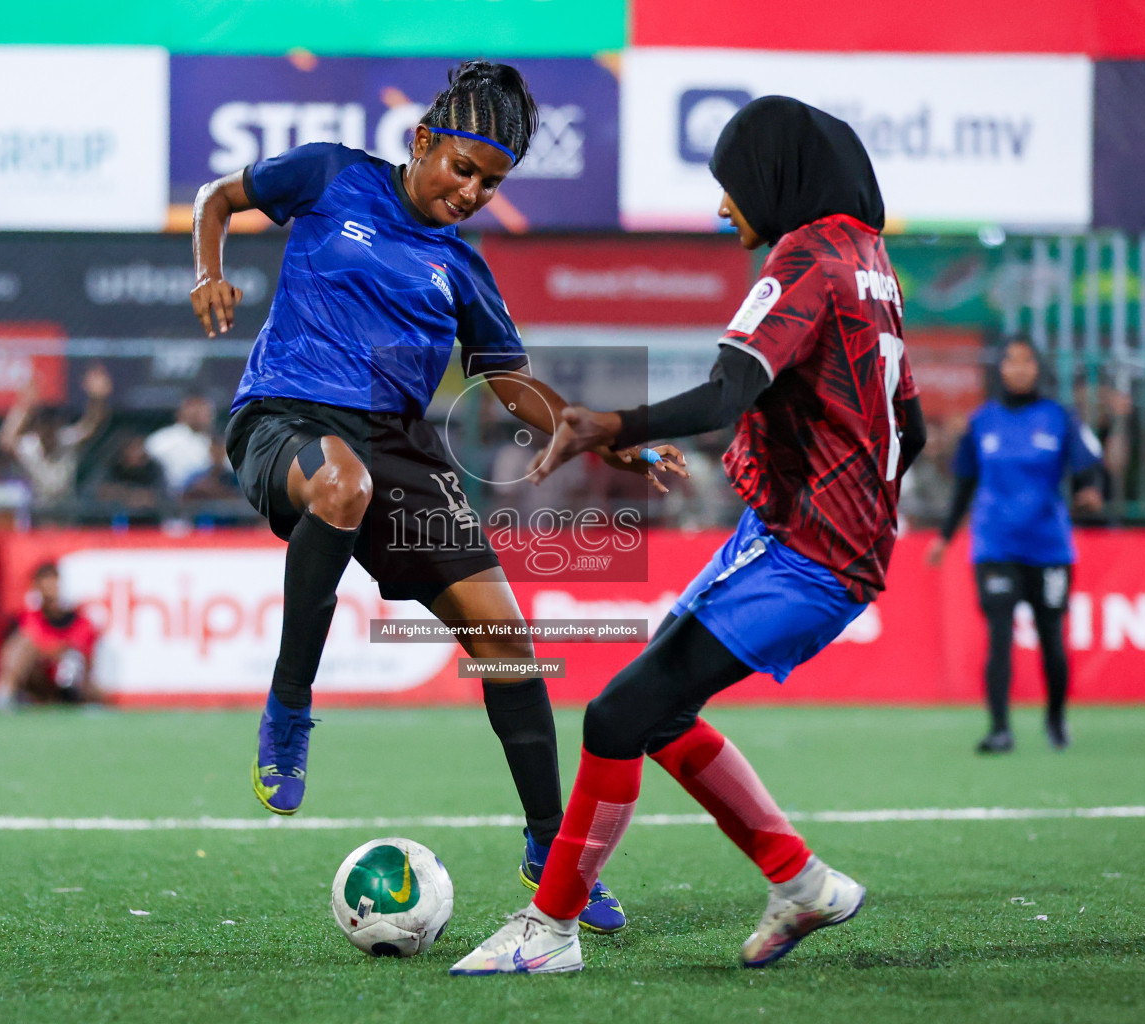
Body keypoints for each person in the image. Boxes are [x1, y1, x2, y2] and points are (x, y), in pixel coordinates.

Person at [191, 60, 680, 934]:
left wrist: (602, 431)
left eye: (491, 183)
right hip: (286, 413)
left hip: (401, 447)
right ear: (421, 142)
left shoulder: (462, 265)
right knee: (341, 484)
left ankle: (550, 849)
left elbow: (508, 381)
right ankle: (290, 708)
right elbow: (217, 198)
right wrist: (208, 271)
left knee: (508, 644)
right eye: (463, 169)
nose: (472, 192)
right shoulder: (330, 173)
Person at [452, 96, 926, 975]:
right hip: (823, 546)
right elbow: (915, 429)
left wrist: (607, 423)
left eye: (729, 186)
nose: (722, 208)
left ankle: (550, 929)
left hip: (804, 552)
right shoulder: (872, 261)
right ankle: (799, 880)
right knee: (659, 711)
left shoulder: (810, 256)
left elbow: (722, 394)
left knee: (618, 713)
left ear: (772, 177)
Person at [925, 337, 1104, 754]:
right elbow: (965, 484)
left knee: (1051, 639)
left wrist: (1090, 491)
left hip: (1049, 548)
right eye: (1011, 361)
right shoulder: (982, 421)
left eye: (1026, 361)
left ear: (1037, 368)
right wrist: (945, 536)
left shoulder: (1059, 417)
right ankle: (1000, 729)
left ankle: (1057, 719)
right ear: (1000, 368)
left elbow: (1088, 468)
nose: (1019, 369)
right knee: (999, 637)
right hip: (995, 545)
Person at [0, 562, 103, 709]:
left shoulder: (82, 623)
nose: (51, 591)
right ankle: (3, 694)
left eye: (54, 584)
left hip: (71, 683)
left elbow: (87, 663)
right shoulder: (27, 618)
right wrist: (50, 652)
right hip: (39, 680)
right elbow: (14, 652)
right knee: (22, 644)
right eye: (45, 586)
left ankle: (85, 704)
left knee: (79, 667)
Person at [0, 367, 112, 513]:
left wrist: (97, 399)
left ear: (58, 425)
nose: (49, 430)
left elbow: (91, 426)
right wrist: (24, 405)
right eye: (44, 425)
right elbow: (5, 442)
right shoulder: (30, 445)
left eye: (52, 424)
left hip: (65, 514)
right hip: (36, 514)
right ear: (37, 427)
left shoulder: (65, 440)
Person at [145, 392, 216, 494]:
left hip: (213, 502)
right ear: (180, 411)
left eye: (203, 408)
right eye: (192, 407)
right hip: (171, 500)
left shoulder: (220, 444)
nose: (198, 412)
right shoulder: (160, 440)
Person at [88, 432, 167, 522]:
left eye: (140, 448)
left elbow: (159, 497)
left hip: (149, 522)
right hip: (111, 520)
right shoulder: (112, 466)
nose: (138, 453)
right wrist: (128, 495)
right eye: (133, 449)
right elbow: (99, 491)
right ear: (125, 451)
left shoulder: (153, 468)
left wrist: (140, 497)